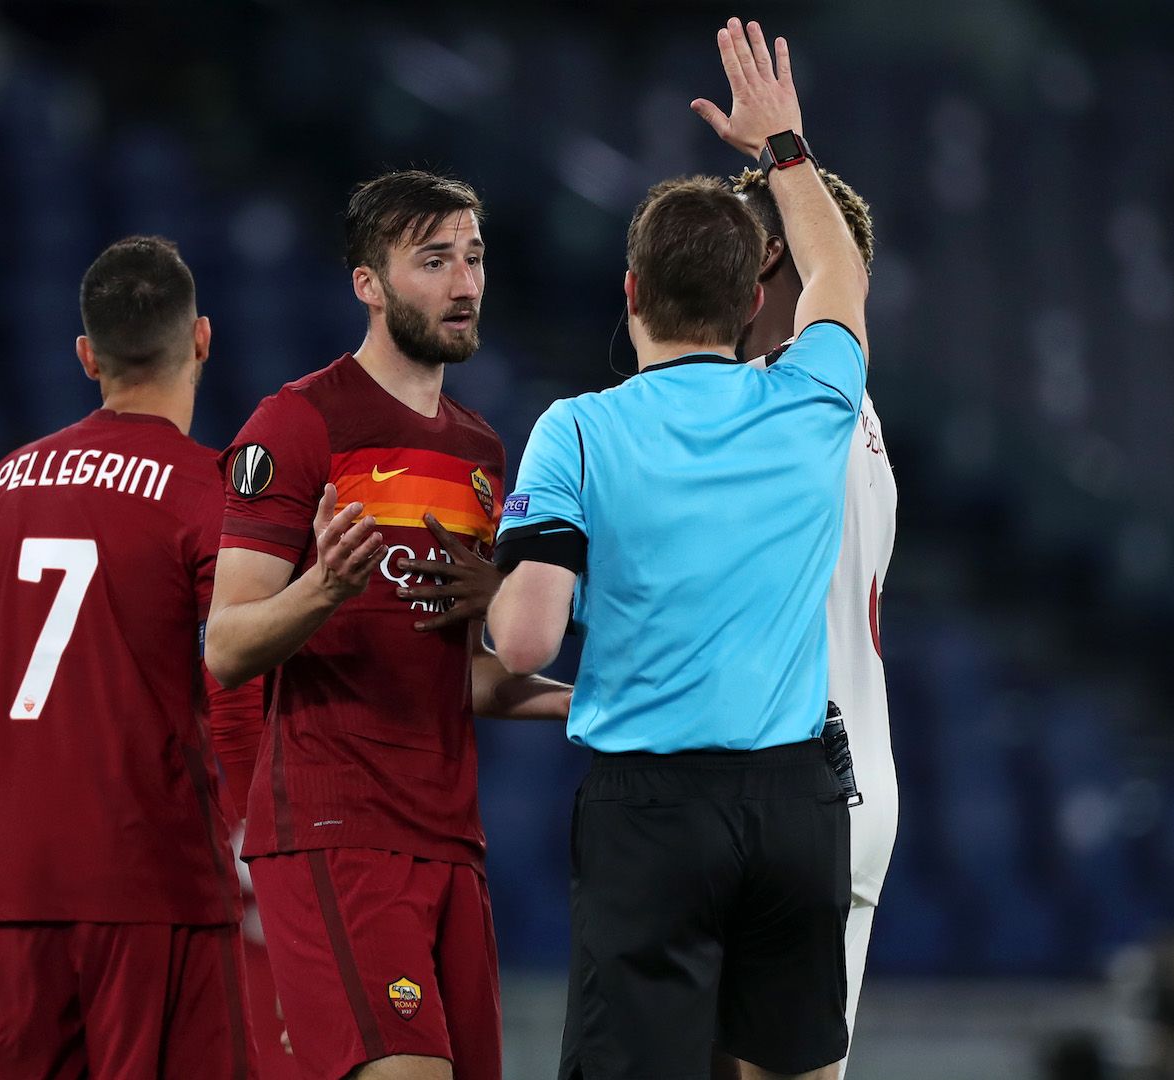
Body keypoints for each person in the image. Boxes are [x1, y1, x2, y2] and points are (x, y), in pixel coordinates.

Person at [488, 19, 869, 1080]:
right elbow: (841, 273)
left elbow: (522, 640)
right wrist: (784, 148)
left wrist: (495, 597)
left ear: (629, 293)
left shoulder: (578, 429)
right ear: (756, 305)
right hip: (797, 805)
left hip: (653, 813)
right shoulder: (812, 400)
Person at [204, 170, 572, 1080]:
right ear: (367, 284)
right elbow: (226, 646)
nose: (464, 283)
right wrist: (323, 590)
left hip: (450, 841)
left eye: (475, 259)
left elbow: (461, 673)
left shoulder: (482, 453)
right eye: (434, 260)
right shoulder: (296, 424)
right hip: (335, 827)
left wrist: (602, 698)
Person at [0, 236, 253, 1079]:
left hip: (15, 898)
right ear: (203, 339)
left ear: (86, 356)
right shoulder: (207, 492)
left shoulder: (2, 488)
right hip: (159, 892)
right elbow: (238, 687)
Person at [716, 163, 894, 1080]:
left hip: (798, 791)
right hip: (847, 780)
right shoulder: (852, 412)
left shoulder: (779, 400)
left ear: (772, 255)